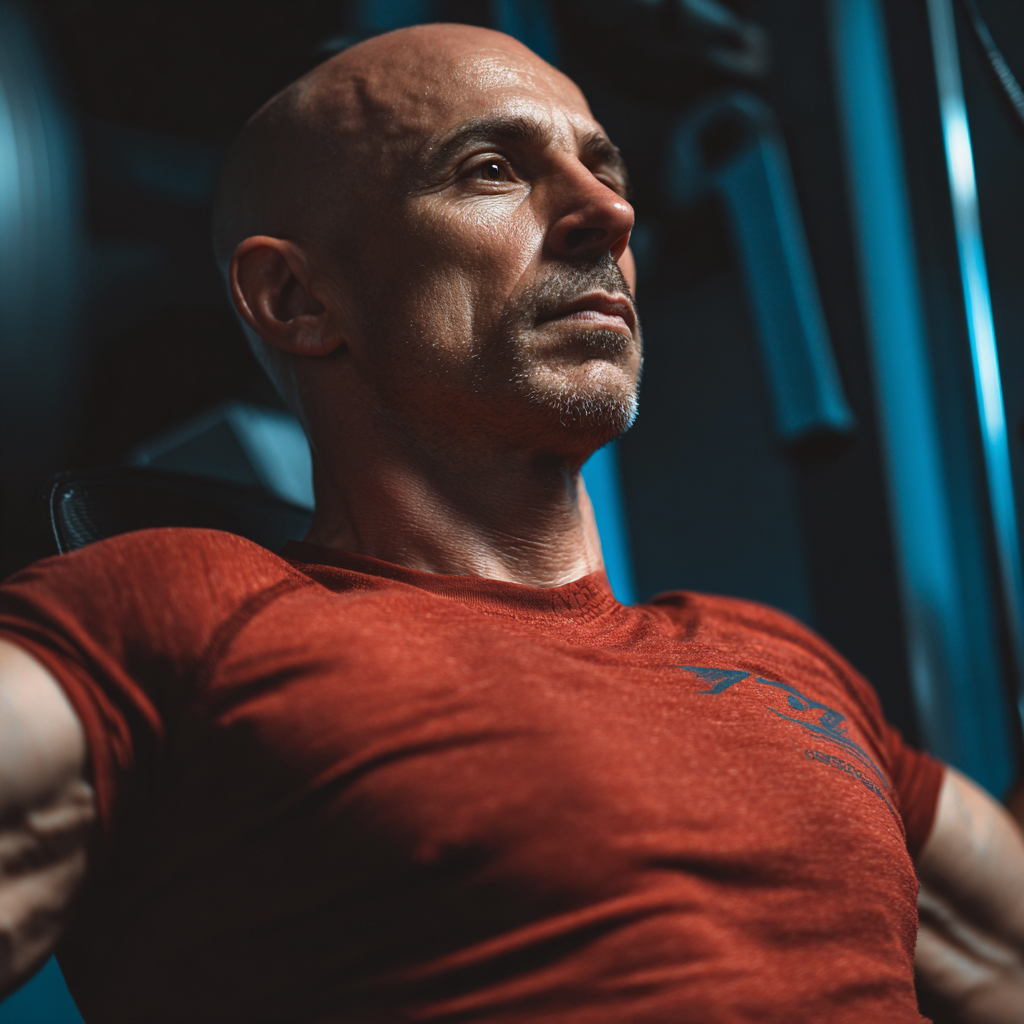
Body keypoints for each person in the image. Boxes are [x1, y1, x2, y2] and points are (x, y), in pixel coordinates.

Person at [0, 22, 1022, 1024]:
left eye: (601, 166)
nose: (608, 213)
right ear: (296, 298)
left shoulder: (784, 662)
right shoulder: (175, 612)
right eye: (492, 168)